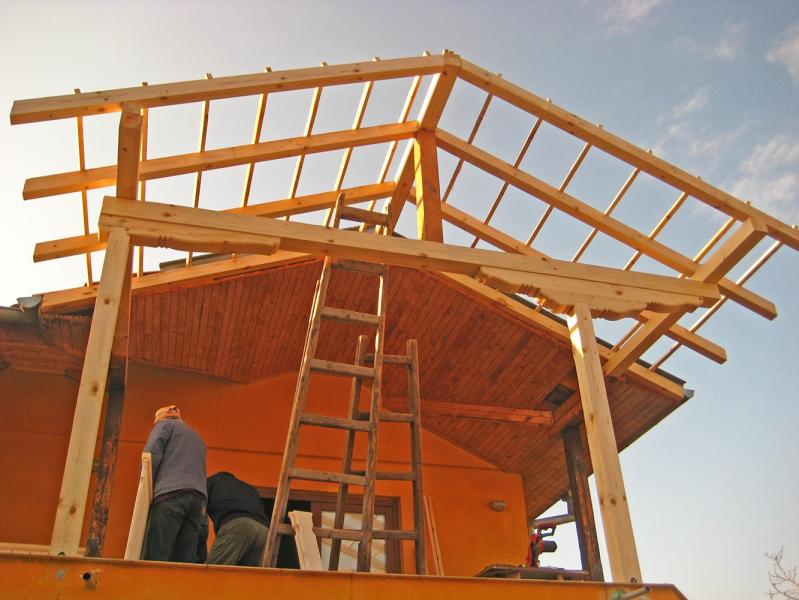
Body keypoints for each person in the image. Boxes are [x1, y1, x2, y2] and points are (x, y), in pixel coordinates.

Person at [141, 405, 207, 563]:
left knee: (157, 552)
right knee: (184, 558)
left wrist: (143, 487)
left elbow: (151, 454)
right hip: (197, 500)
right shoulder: (197, 437)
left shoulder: (165, 425)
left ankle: (150, 578)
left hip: (170, 495)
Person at [205, 471, 269, 566]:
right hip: (264, 531)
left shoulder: (210, 483)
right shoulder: (248, 488)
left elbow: (198, 521)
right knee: (246, 574)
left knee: (212, 572)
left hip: (239, 526)